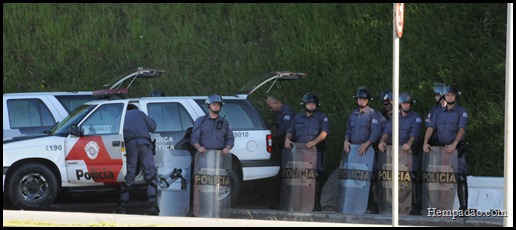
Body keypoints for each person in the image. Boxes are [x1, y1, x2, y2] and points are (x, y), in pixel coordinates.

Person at [422, 85, 469, 211]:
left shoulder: (461, 111)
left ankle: (463, 209)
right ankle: (439, 208)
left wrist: (454, 144)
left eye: (452, 95)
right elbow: (431, 127)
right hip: (441, 150)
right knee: (440, 177)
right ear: (445, 96)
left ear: (456, 96)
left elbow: (462, 129)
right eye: (447, 95)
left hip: (456, 149)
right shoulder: (438, 112)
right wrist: (425, 142)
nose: (450, 97)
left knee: (460, 177)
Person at [378, 92, 422, 215]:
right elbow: (387, 131)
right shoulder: (395, 117)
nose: (406, 105)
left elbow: (415, 132)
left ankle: (415, 206)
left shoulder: (416, 116)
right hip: (396, 154)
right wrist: (382, 141)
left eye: (408, 103)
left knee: (412, 178)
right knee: (395, 179)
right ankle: (394, 206)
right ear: (400, 104)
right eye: (404, 103)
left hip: (410, 153)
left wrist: (409, 143)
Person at [284, 92, 329, 211]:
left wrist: (314, 142)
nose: (311, 106)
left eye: (313, 104)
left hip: (315, 152)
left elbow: (324, 133)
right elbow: (291, 130)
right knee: (299, 177)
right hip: (299, 152)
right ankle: (298, 202)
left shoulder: (321, 117)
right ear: (304, 104)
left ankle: (315, 204)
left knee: (315, 177)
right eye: (309, 103)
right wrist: (287, 139)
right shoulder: (297, 117)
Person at [343, 86, 381, 214]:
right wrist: (346, 141)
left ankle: (374, 205)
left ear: (368, 100)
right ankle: (353, 203)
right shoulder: (352, 114)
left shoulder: (372, 113)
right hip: (354, 150)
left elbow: (375, 132)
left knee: (370, 177)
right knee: (354, 178)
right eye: (359, 98)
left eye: (364, 99)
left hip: (367, 151)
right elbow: (348, 131)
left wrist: (367, 144)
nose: (362, 101)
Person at [119, 104, 158, 215]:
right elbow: (153, 127)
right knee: (150, 173)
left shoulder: (121, 117)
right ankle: (152, 204)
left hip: (130, 145)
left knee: (129, 174)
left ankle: (123, 205)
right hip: (144, 144)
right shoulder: (139, 113)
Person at [266, 95, 296, 210]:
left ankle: (283, 202)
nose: (270, 109)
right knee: (279, 175)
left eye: (270, 107)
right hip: (279, 146)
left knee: (284, 174)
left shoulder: (287, 112)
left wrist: (270, 136)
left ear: (275, 103)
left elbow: (285, 130)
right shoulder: (278, 113)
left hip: (286, 147)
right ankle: (279, 202)